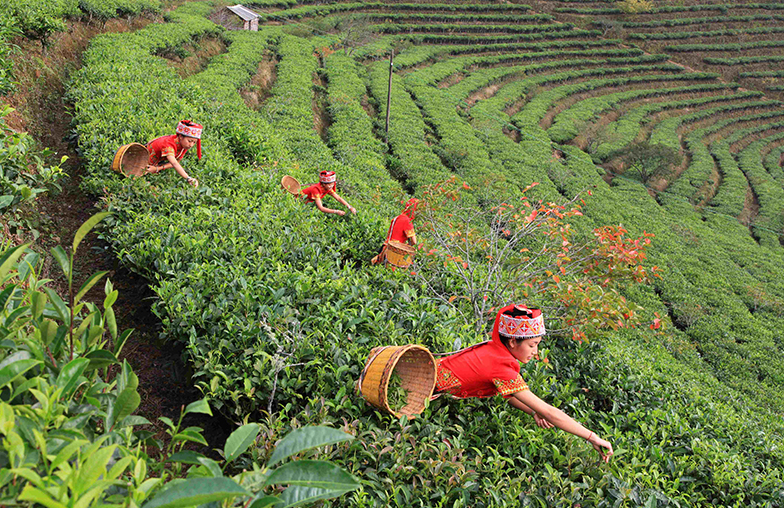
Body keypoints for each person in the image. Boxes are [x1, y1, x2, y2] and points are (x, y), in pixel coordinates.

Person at [434, 304, 614, 463]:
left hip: (430, 372)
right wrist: (592, 437)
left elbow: (509, 395)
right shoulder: (501, 367)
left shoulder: (493, 349)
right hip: (424, 387)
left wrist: (532, 411)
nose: (536, 352)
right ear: (513, 341)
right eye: (532, 345)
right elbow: (550, 413)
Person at [146, 120, 202, 187]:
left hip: (157, 161)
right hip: (145, 158)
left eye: (194, 142)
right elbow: (174, 163)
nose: (191, 145)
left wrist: (158, 168)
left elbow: (176, 162)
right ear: (181, 137)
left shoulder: (184, 145)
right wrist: (188, 178)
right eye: (190, 141)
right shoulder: (169, 145)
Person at [371, 198, 418, 265]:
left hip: (385, 248)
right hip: (395, 252)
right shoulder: (407, 221)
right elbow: (414, 242)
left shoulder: (396, 218)